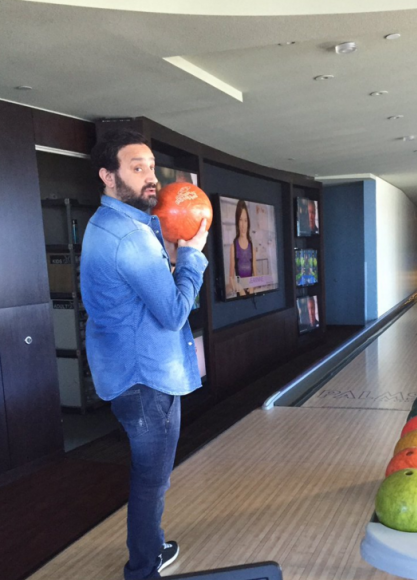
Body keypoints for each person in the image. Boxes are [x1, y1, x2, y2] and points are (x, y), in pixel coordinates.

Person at [81, 128, 208, 580]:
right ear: (108, 176)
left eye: (151, 167)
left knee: (152, 475)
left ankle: (150, 547)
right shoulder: (129, 238)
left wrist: (171, 253)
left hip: (136, 372)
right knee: (151, 478)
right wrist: (192, 255)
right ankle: (141, 569)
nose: (150, 177)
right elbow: (174, 312)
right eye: (137, 168)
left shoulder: (117, 225)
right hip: (145, 380)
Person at [229, 199, 257, 296]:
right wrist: (238, 288)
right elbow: (231, 278)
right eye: (240, 220)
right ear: (237, 221)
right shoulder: (233, 246)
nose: (243, 225)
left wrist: (252, 286)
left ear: (248, 222)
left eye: (245, 220)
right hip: (239, 294)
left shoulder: (251, 246)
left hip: (251, 292)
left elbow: (255, 275)